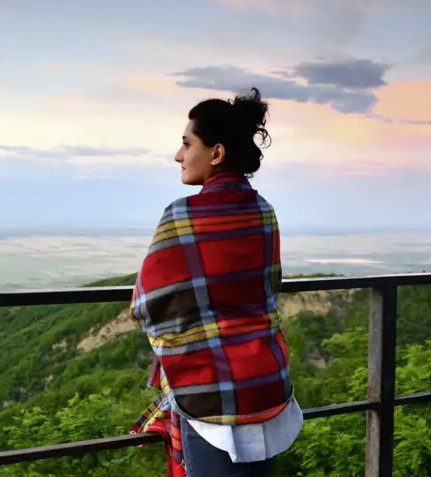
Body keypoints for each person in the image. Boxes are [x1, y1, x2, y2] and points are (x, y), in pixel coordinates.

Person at [129, 88, 302, 477]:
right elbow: (264, 291)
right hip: (265, 380)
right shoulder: (263, 211)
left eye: (187, 144)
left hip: (207, 391)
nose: (178, 155)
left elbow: (146, 303)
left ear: (217, 153)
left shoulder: (181, 215)